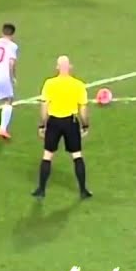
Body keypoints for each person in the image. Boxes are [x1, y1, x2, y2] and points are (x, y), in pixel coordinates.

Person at [33, 55, 92, 199]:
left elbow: (44, 106)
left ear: (57, 67)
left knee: (48, 155)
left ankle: (41, 190)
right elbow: (83, 109)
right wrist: (85, 125)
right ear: (70, 67)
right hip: (71, 122)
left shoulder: (50, 84)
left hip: (54, 122)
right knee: (77, 155)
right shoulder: (78, 85)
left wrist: (42, 124)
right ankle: (83, 190)